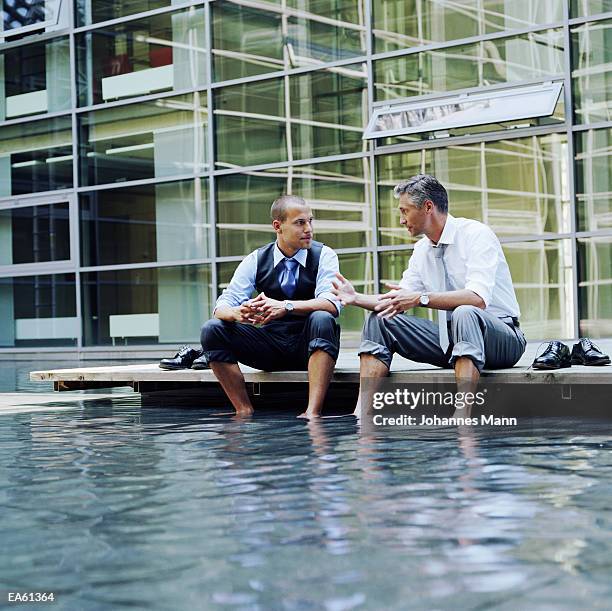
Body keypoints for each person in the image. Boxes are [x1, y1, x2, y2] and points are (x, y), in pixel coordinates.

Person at [332, 174, 527, 417]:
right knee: (380, 319)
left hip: (501, 339)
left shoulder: (476, 235)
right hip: (451, 341)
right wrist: (355, 297)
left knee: (465, 312)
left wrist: (420, 298)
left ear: (427, 207)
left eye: (405, 211)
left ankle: (462, 414)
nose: (401, 220)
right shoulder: (422, 250)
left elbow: (478, 298)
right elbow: (398, 301)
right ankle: (361, 414)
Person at [200, 195, 341, 419]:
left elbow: (332, 304)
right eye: (300, 222)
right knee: (212, 328)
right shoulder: (256, 259)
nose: (309, 229)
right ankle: (243, 410)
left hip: (309, 345)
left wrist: (286, 306)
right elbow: (221, 306)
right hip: (269, 347)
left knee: (323, 318)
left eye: (310, 221)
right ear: (278, 226)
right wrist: (238, 313)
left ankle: (312, 411)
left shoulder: (324, 255)